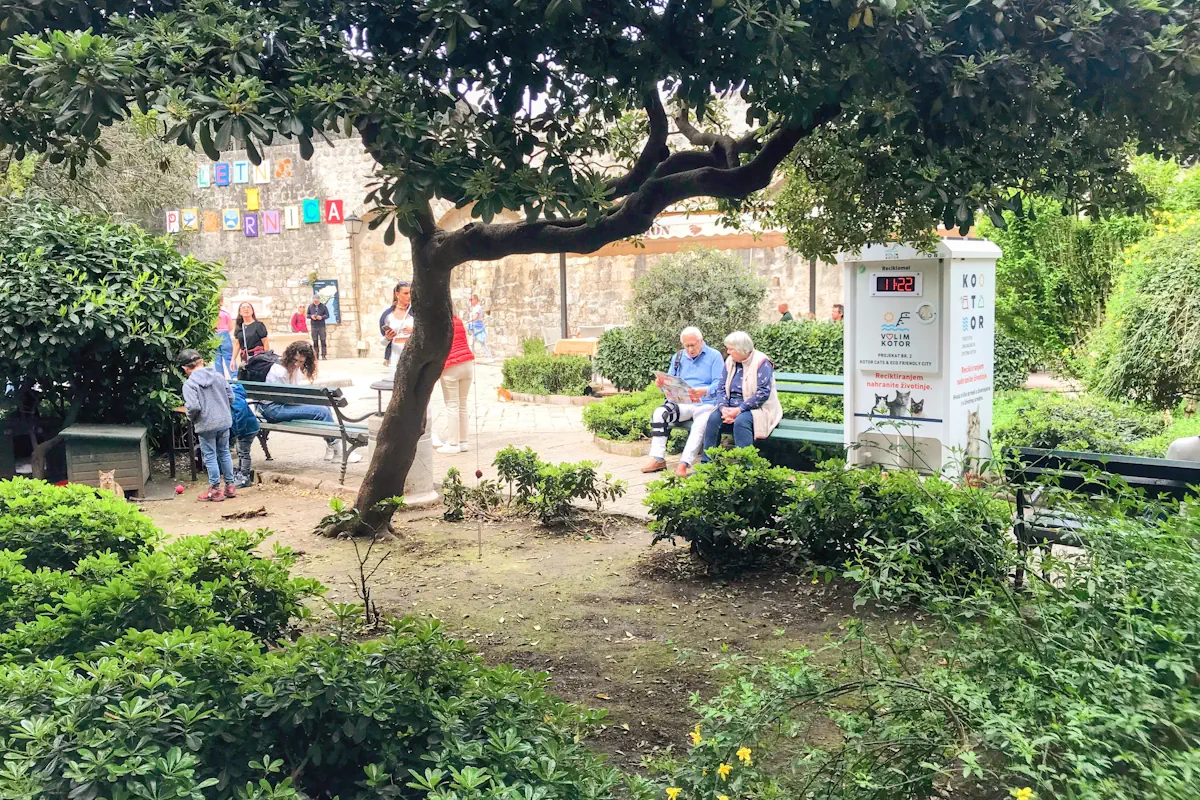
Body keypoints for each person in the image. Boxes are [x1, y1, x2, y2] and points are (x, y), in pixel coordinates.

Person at [641, 327, 724, 476]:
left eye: (693, 345)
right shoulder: (678, 357)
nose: (690, 349)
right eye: (687, 346)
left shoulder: (714, 356)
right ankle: (658, 459)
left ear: (701, 341)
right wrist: (662, 385)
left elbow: (720, 383)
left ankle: (684, 463)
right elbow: (670, 383)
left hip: (706, 403)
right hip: (683, 403)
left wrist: (705, 390)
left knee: (699, 425)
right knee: (660, 413)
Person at [262, 341, 362, 464]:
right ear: (290, 355)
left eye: (301, 361)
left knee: (324, 407)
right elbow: (285, 398)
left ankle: (331, 448)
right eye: (295, 360)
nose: (297, 364)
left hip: (280, 405)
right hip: (273, 409)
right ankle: (339, 450)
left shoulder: (293, 369)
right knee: (322, 412)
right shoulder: (280, 371)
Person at [701, 331, 783, 460]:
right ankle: (707, 463)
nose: (728, 352)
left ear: (742, 350)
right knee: (713, 419)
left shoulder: (762, 362)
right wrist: (723, 408)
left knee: (741, 421)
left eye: (731, 349)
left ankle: (745, 465)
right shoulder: (730, 361)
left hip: (757, 408)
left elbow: (762, 393)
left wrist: (739, 410)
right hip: (729, 407)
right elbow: (721, 387)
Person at [178, 349, 236, 502]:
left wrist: (191, 418)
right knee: (224, 452)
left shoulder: (189, 384)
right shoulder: (219, 376)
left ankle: (215, 490)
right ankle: (230, 486)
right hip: (224, 421)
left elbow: (193, 407)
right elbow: (231, 398)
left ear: (185, 368)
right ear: (202, 361)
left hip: (206, 424)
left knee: (210, 456)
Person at [437, 314, 476, 454]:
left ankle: (453, 443)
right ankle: (463, 442)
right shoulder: (458, 321)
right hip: (467, 363)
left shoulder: (438, 323)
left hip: (451, 365)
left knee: (452, 405)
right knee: (462, 405)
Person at [229, 381, 259, 489]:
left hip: (247, 430)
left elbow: (241, 412)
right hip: (247, 428)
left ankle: (244, 477)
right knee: (240, 451)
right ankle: (241, 473)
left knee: (243, 452)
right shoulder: (233, 394)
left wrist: (239, 430)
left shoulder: (234, 396)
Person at [379, 281, 413, 368]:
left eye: (411, 293)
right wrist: (387, 338)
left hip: (414, 356)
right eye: (405, 293)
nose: (409, 296)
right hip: (395, 356)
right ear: (397, 294)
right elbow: (383, 342)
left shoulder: (417, 314)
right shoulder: (387, 316)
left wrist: (414, 331)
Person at [230, 302, 271, 367]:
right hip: (245, 359)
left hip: (258, 357)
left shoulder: (259, 325)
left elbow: (265, 342)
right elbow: (237, 345)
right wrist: (233, 359)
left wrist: (267, 357)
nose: (246, 309)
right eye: (243, 308)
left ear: (252, 311)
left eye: (248, 307)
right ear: (240, 312)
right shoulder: (239, 327)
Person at [466, 293, 493, 362]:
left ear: (475, 300)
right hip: (475, 328)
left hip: (478, 329)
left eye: (471, 300)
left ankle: (490, 357)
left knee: (481, 343)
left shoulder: (477, 308)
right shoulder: (476, 308)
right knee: (471, 343)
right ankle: (471, 358)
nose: (470, 301)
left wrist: (469, 321)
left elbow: (476, 317)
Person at [215, 299, 234, 378]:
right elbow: (231, 327)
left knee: (217, 358)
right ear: (222, 302)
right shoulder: (225, 313)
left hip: (214, 335)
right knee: (229, 356)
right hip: (224, 334)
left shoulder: (211, 314)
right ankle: (234, 376)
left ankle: (220, 377)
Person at [307, 295, 330, 360]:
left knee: (323, 340)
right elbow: (307, 315)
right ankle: (316, 355)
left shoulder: (323, 306)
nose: (316, 302)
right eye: (314, 301)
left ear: (319, 300)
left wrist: (321, 317)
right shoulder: (310, 306)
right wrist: (311, 316)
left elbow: (327, 315)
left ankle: (324, 355)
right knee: (315, 341)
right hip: (314, 326)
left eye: (317, 301)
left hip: (321, 326)